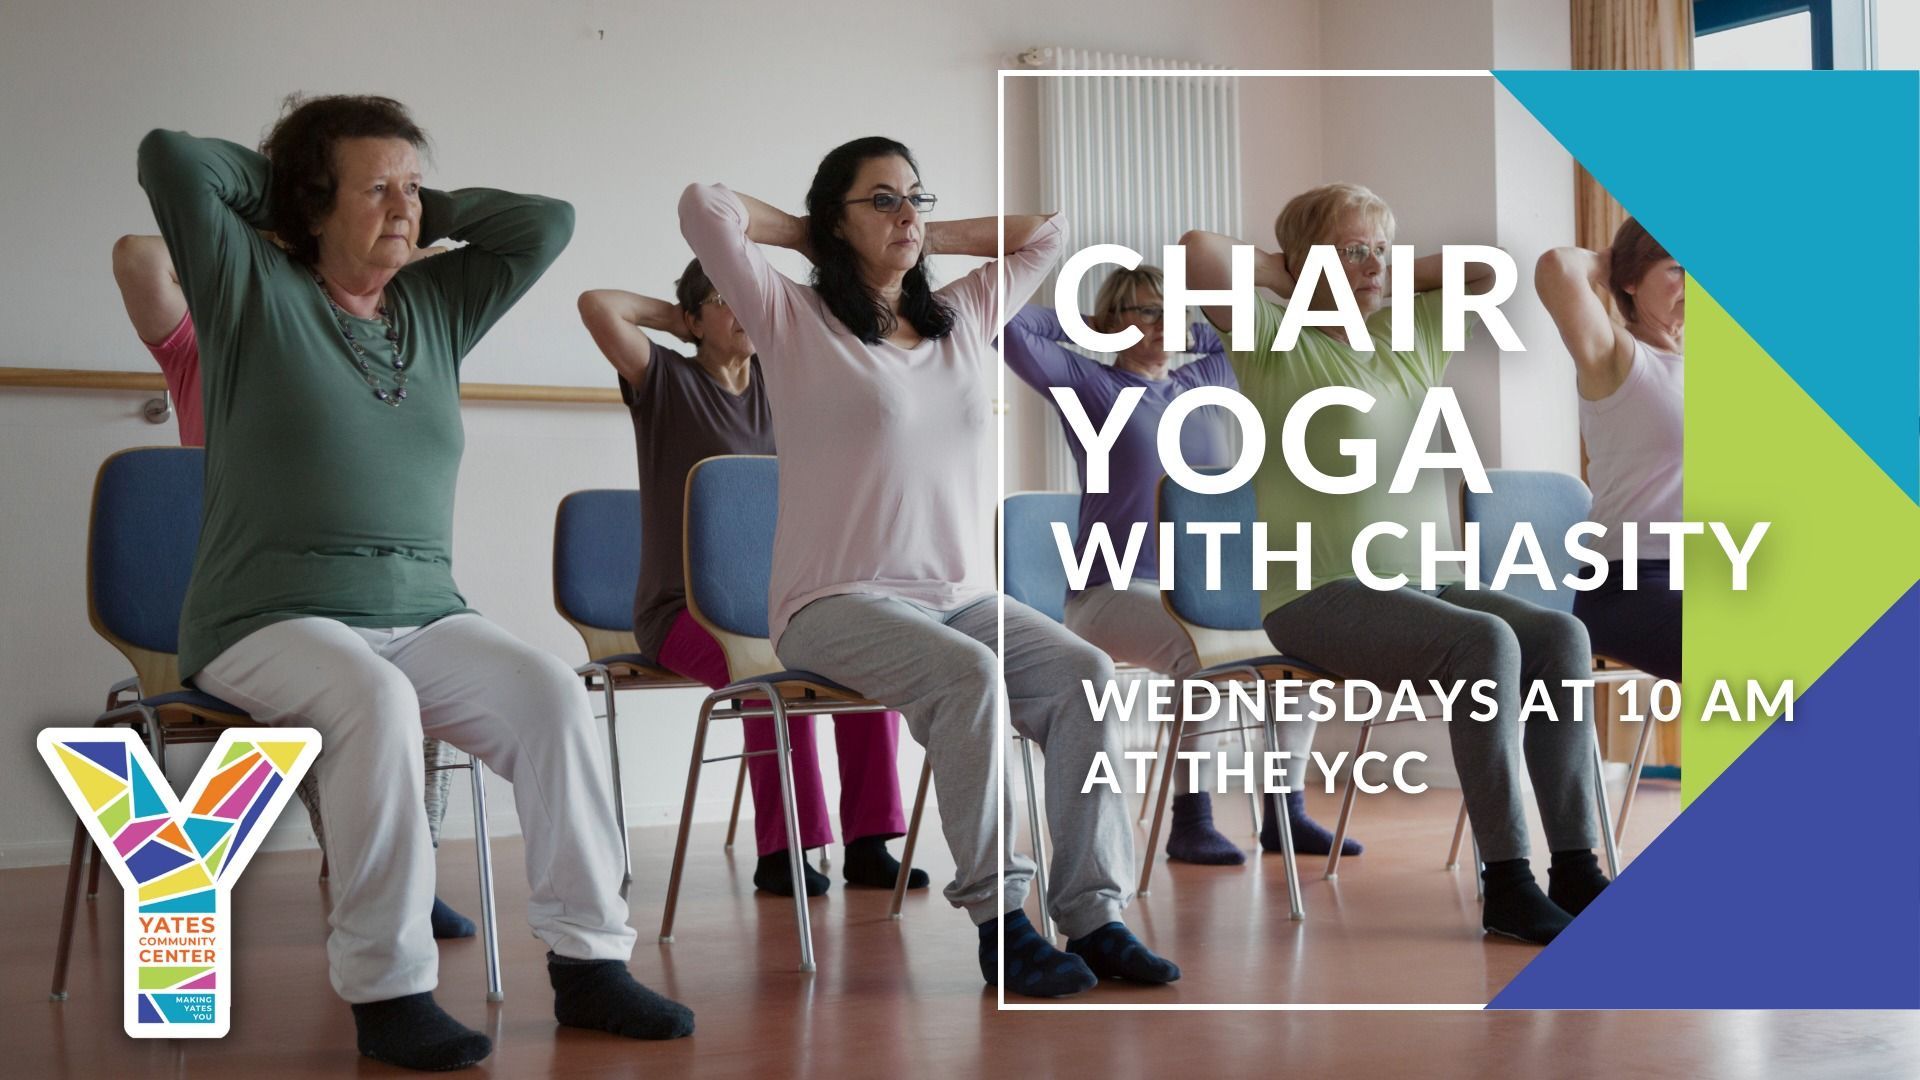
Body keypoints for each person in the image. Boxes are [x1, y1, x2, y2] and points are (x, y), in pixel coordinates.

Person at [138, 94, 691, 1071]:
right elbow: (173, 157)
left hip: (425, 611)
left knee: (552, 699)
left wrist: (408, 208)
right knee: (375, 701)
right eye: (376, 190)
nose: (404, 206)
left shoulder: (436, 305)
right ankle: (388, 990)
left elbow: (544, 224)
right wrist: (293, 195)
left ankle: (589, 964)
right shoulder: (250, 286)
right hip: (264, 617)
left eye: (415, 187)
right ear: (311, 202)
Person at [680, 136, 1179, 997]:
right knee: (969, 676)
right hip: (832, 603)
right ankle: (1003, 925)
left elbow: (1049, 233)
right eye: (880, 198)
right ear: (836, 219)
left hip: (959, 596)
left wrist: (911, 231)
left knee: (1085, 675)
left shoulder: (961, 315)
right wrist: (812, 233)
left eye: (916, 196)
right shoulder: (791, 319)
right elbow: (704, 206)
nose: (907, 210)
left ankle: (1094, 917)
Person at [1179, 182, 1610, 945]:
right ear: (1300, 261)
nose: (1372, 262)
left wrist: (1377, 271)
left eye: (1380, 245)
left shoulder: (1410, 334)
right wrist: (1303, 277)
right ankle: (1506, 883)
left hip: (1421, 585)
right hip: (1316, 594)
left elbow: (1486, 269)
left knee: (1561, 638)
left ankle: (1575, 870)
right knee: (1487, 644)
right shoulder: (1276, 336)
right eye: (1352, 247)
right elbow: (1199, 254)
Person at [111, 233, 476, 940]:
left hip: (350, 593)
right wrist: (279, 243)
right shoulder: (204, 343)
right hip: (239, 600)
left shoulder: (358, 347)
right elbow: (138, 257)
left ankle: (408, 871)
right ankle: (381, 875)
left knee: (417, 681)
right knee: (344, 694)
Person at [578, 258, 926, 898]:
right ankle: (784, 848)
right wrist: (680, 320)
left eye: (748, 298)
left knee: (861, 663)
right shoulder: (664, 381)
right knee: (766, 680)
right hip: (680, 612)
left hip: (782, 605)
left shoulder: (784, 382)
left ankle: (869, 843)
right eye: (723, 300)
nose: (742, 311)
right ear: (695, 317)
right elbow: (600, 303)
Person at [1004, 270, 1362, 865]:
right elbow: (1010, 326)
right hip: (1111, 592)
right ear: (1114, 319)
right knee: (1198, 653)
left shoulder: (1205, 380)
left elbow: (1233, 335)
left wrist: (1179, 324)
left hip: (1206, 590)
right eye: (1142, 312)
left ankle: (1285, 813)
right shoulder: (1088, 385)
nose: (1159, 324)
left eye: (1169, 312)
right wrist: (1092, 326)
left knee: (1301, 648)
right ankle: (1191, 820)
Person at [1535, 219, 1683, 683]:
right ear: (1632, 280)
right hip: (1627, 586)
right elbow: (1556, 267)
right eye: (1679, 268)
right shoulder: (1617, 356)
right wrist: (1611, 262)